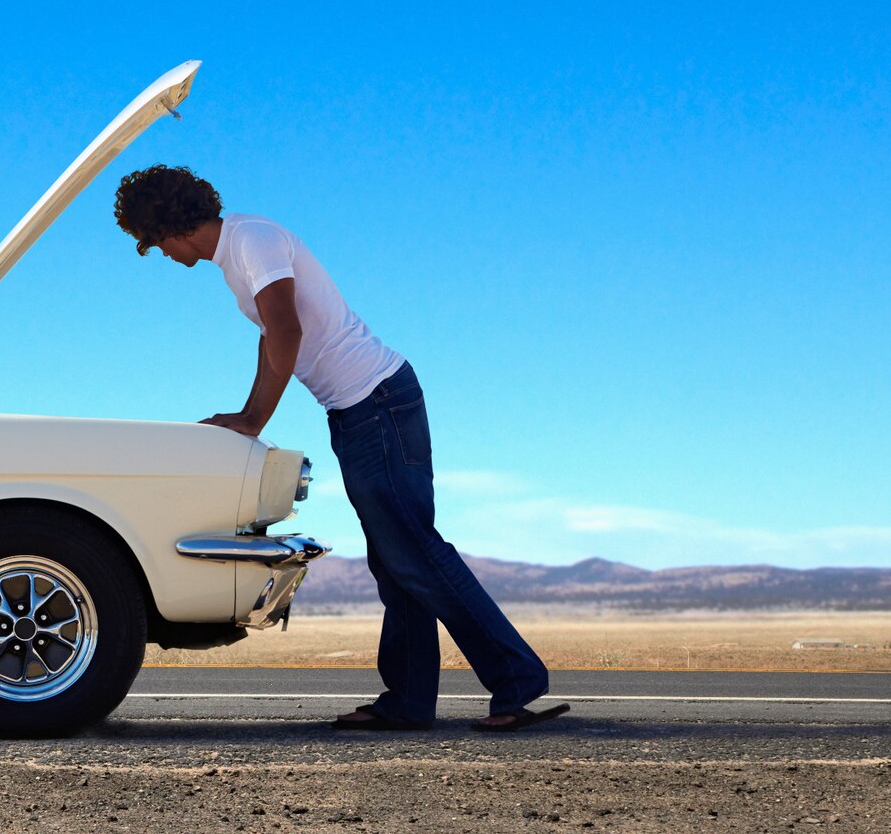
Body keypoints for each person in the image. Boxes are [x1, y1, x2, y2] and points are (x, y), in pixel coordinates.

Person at [112, 164, 567, 733]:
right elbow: (270, 337)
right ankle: (408, 700)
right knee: (394, 559)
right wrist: (248, 416)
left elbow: (288, 331)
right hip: (359, 411)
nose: (161, 256)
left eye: (152, 244)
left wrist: (256, 417)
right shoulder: (239, 257)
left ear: (171, 228)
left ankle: (518, 681)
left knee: (415, 553)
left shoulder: (252, 239)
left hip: (378, 403)